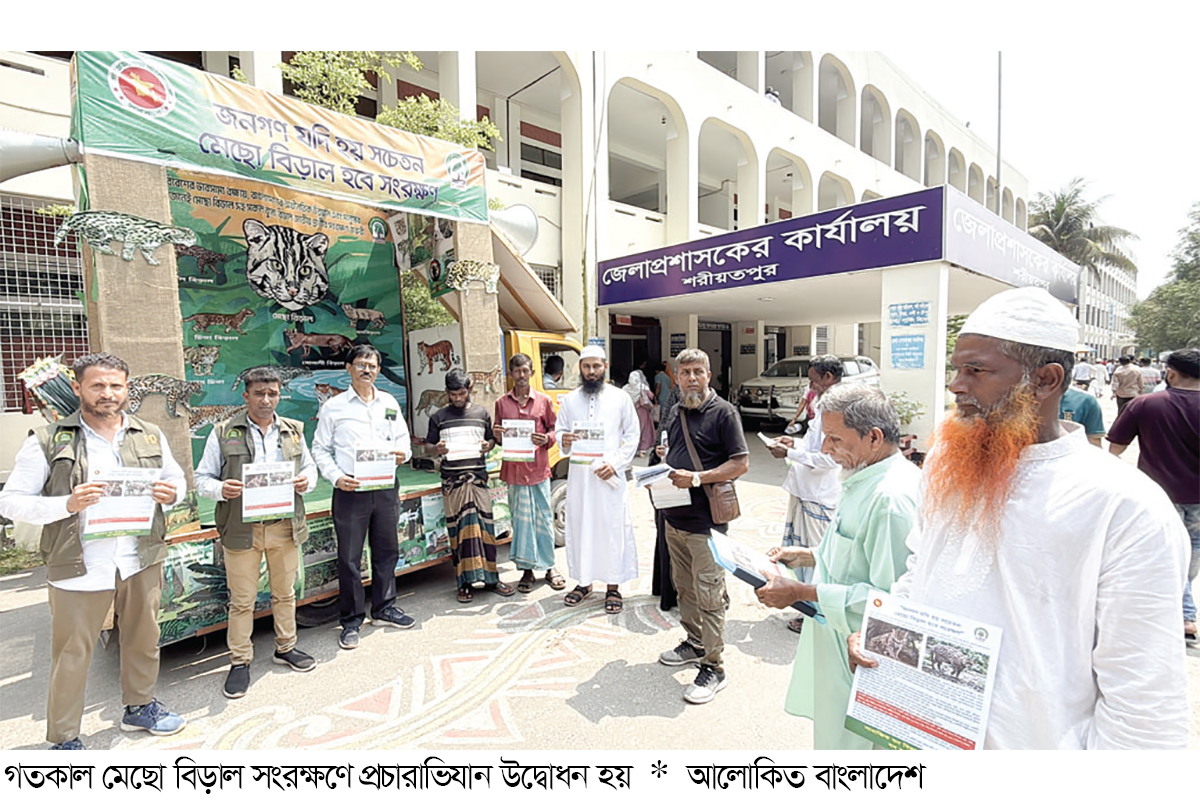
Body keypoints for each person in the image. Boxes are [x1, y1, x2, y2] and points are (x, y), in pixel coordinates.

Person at [848, 286, 1190, 749]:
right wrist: (886, 630)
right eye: (956, 369)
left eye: (976, 370)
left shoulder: (1125, 506)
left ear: (1045, 379)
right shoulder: (947, 464)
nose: (956, 385)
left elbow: (1144, 708)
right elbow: (920, 567)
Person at [0, 353, 188, 749]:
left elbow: (175, 479)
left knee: (142, 638)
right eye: (97, 385)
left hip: (139, 557)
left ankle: (140, 707)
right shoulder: (48, 440)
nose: (108, 393)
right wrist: (66, 504)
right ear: (77, 388)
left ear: (127, 388)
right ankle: (64, 737)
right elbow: (10, 501)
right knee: (72, 652)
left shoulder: (149, 434)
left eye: (116, 385)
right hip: (80, 563)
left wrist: (172, 494)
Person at [755, 383, 920, 748]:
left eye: (834, 439)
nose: (825, 449)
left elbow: (891, 601)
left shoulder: (890, 500)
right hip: (836, 646)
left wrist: (800, 591)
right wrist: (808, 555)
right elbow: (856, 553)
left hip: (863, 655)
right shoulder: (863, 478)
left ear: (873, 437)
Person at [195, 366, 319, 699]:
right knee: (242, 600)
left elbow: (309, 468)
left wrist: (307, 481)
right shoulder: (223, 432)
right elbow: (201, 479)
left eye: (272, 393)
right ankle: (240, 661)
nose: (266, 400)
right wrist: (221, 489)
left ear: (279, 395)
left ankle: (286, 647)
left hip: (283, 525)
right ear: (246, 395)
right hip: (241, 528)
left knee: (285, 593)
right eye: (259, 393)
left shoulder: (293, 430)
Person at [657, 348, 749, 704]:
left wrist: (697, 477)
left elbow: (740, 463)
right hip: (674, 519)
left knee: (709, 595)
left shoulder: (724, 412)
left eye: (698, 372)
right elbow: (674, 449)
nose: (691, 378)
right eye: (685, 373)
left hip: (706, 523)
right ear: (677, 378)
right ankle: (695, 643)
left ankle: (714, 666)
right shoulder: (676, 410)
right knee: (685, 589)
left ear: (708, 375)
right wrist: (664, 459)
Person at [312, 344, 414, 650]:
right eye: (360, 364)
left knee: (387, 551)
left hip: (385, 488)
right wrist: (336, 477)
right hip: (350, 491)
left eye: (372, 365)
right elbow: (319, 448)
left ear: (378, 370)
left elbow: (403, 440)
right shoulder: (334, 407)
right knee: (349, 558)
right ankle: (352, 620)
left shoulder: (388, 402)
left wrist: (403, 454)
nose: (366, 370)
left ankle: (384, 608)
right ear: (349, 368)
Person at [1107, 348, 1200, 644]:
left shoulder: (1146, 404)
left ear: (1170, 373)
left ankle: (1183, 613)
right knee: (1191, 550)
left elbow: (1115, 449)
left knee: (1166, 553)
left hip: (1158, 495)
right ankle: (1184, 612)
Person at [555, 345, 640, 614]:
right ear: (580, 368)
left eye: (596, 366)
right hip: (580, 478)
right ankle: (584, 582)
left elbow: (633, 435)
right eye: (586, 366)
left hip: (609, 477)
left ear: (605, 367)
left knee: (611, 528)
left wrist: (615, 464)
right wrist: (564, 439)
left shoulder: (620, 398)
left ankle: (613, 586)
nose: (591, 371)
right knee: (581, 527)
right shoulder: (570, 400)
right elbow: (559, 431)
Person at [765, 354, 844, 633]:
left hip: (820, 497)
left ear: (829, 378)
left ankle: (817, 613)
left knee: (817, 558)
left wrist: (789, 453)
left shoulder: (838, 411)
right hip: (807, 493)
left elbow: (829, 459)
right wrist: (794, 444)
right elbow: (812, 448)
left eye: (814, 381)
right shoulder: (822, 406)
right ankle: (808, 607)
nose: (811, 387)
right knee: (802, 556)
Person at [428, 369, 515, 602]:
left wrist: (488, 445)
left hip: (477, 480)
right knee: (459, 534)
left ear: (469, 390)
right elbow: (428, 446)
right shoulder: (438, 417)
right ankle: (464, 583)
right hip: (453, 483)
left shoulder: (481, 413)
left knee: (486, 530)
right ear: (447, 392)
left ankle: (492, 579)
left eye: (462, 393)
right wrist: (436, 449)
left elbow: (490, 440)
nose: (458, 398)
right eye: (453, 394)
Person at [494, 353, 564, 594]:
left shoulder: (544, 401)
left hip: (538, 471)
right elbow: (498, 436)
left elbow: (555, 429)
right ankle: (526, 570)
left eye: (525, 370)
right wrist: (497, 434)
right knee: (521, 523)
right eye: (517, 371)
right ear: (511, 374)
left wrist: (547, 439)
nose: (521, 375)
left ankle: (550, 567)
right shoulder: (502, 403)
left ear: (532, 372)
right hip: (514, 472)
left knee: (543, 520)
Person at [624, 359, 656, 458]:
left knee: (631, 429)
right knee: (644, 430)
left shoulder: (625, 388)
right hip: (642, 412)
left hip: (630, 412)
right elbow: (651, 396)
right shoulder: (643, 387)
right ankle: (642, 449)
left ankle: (632, 449)